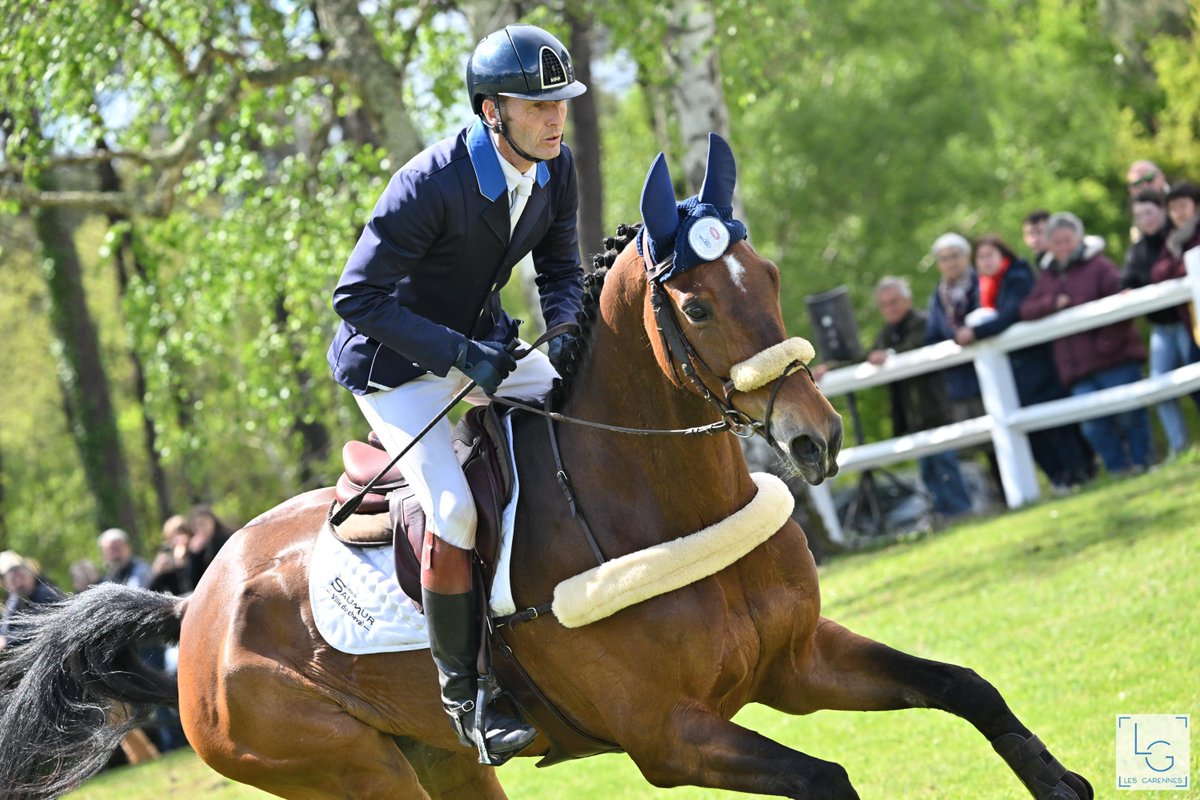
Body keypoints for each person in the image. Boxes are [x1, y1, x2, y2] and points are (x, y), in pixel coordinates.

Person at [326, 23, 588, 760]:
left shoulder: (553, 167)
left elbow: (561, 269)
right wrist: (462, 357)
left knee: (587, 405)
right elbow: (356, 297)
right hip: (394, 364)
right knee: (452, 508)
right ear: (490, 111)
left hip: (482, 344)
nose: (555, 118)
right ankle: (467, 697)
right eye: (537, 106)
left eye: (560, 103)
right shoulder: (429, 183)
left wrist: (566, 330)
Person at [1020, 212, 1152, 474]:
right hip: (1079, 368)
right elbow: (1026, 309)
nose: (1063, 247)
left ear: (1078, 238)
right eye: (1057, 242)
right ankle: (1118, 470)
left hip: (1115, 358)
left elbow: (1120, 299)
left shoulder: (1099, 266)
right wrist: (1052, 303)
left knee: (1129, 415)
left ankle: (1141, 463)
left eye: (1068, 239)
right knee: (1092, 425)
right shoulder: (1048, 277)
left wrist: (1106, 343)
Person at [955, 235, 1091, 489]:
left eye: (989, 255)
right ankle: (1059, 478)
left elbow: (1013, 313)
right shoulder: (981, 289)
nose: (985, 262)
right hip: (1012, 372)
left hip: (1037, 364)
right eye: (980, 257)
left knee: (1054, 421)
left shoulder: (1017, 277)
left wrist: (977, 333)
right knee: (1029, 428)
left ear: (1003, 255)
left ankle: (1080, 473)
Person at [868, 277, 973, 520]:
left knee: (945, 461)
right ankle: (944, 514)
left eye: (895, 301)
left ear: (907, 300)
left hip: (937, 408)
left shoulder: (924, 322)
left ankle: (962, 511)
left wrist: (889, 355)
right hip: (913, 416)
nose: (891, 308)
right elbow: (866, 355)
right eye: (885, 304)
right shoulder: (885, 334)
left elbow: (913, 346)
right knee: (928, 469)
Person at [1121, 189, 1193, 456]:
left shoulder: (1176, 238)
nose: (1145, 219)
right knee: (1159, 386)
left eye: (1149, 212)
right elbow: (1127, 280)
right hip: (1162, 328)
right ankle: (1180, 447)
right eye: (1139, 215)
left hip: (1187, 321)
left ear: (1162, 211)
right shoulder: (1137, 251)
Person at [0, 550, 63, 651]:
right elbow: (5, 628)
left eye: (21, 576)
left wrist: (7, 640)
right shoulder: (14, 600)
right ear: (7, 584)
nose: (19, 583)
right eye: (13, 579)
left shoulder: (46, 593)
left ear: (31, 576)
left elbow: (39, 625)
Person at [184, 505, 232, 591]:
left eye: (203, 524)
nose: (200, 529)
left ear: (213, 522)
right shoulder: (198, 546)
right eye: (196, 525)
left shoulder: (225, 539)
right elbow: (195, 583)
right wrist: (195, 555)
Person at [149, 514, 195, 595]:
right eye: (175, 535)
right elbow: (153, 589)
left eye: (182, 533)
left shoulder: (196, 551)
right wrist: (157, 572)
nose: (179, 538)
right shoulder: (166, 554)